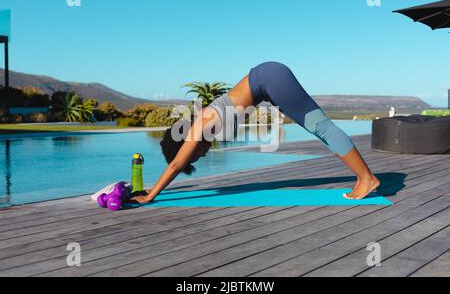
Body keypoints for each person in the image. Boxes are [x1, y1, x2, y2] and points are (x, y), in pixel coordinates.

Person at [133, 62, 380, 204]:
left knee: (322, 127)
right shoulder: (209, 124)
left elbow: (176, 164)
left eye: (195, 156)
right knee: (320, 128)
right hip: (268, 84)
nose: (201, 155)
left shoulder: (199, 126)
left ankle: (367, 179)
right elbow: (246, 107)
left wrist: (151, 195)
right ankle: (365, 178)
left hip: (268, 79)